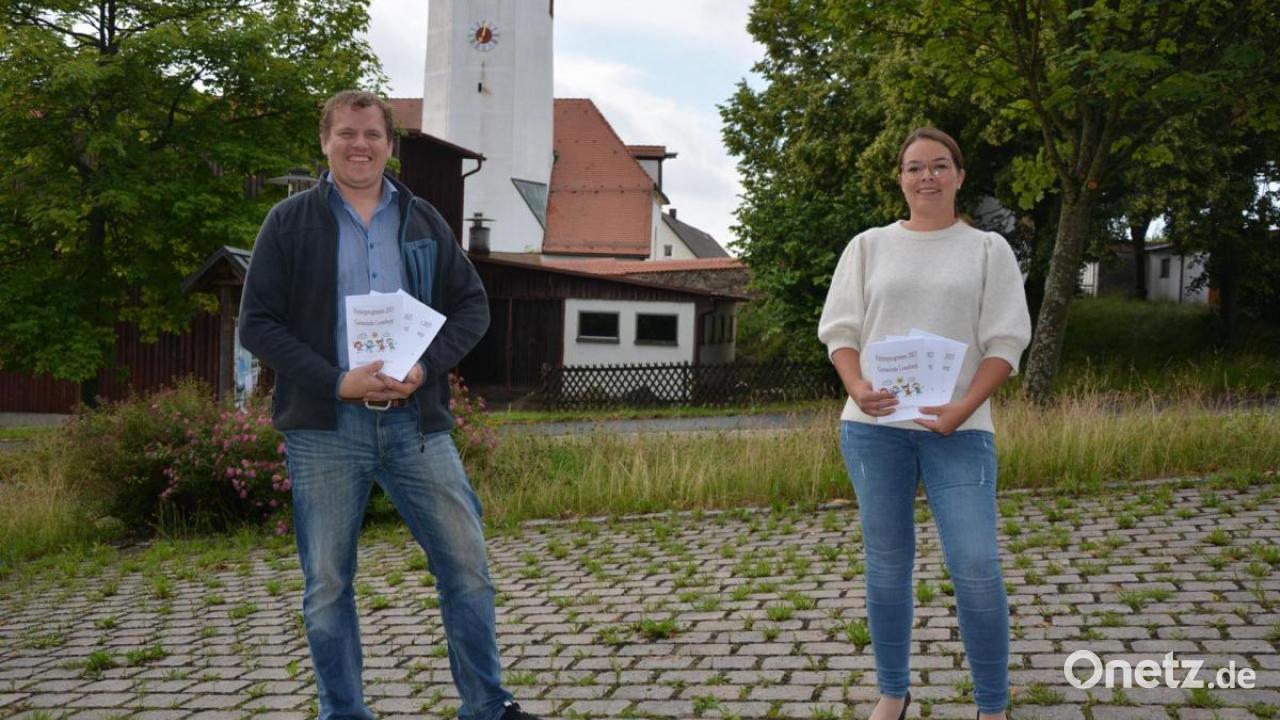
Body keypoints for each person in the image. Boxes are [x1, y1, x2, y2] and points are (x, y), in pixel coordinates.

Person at [239, 90, 538, 720]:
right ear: (324, 142)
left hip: (416, 427)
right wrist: (335, 380)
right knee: (327, 586)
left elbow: (472, 306)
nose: (359, 145)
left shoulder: (423, 219)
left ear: (389, 144)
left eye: (372, 134)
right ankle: (343, 712)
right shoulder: (288, 223)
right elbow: (258, 325)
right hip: (326, 427)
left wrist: (427, 365)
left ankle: (487, 706)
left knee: (468, 568)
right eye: (346, 133)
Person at [817, 127, 1031, 720]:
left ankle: (992, 705)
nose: (927, 176)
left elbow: (1007, 341)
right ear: (901, 179)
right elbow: (841, 331)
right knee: (887, 565)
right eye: (915, 167)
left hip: (960, 430)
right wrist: (857, 385)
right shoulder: (867, 247)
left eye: (940, 166)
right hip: (873, 429)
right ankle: (893, 692)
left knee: (976, 566)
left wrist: (964, 407)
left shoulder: (989, 251)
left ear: (960, 177)